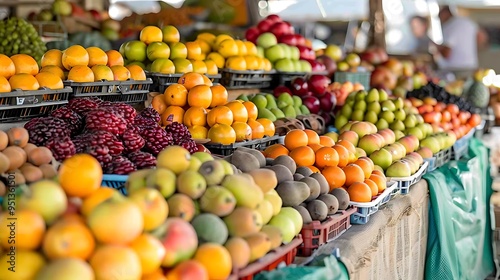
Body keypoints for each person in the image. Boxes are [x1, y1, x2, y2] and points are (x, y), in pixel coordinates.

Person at [436, 6, 479, 72]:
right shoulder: (468, 22)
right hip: (471, 65)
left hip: (455, 68)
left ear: (445, 13)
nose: (441, 20)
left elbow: (447, 52)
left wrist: (437, 48)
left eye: (440, 17)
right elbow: (480, 38)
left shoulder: (449, 26)